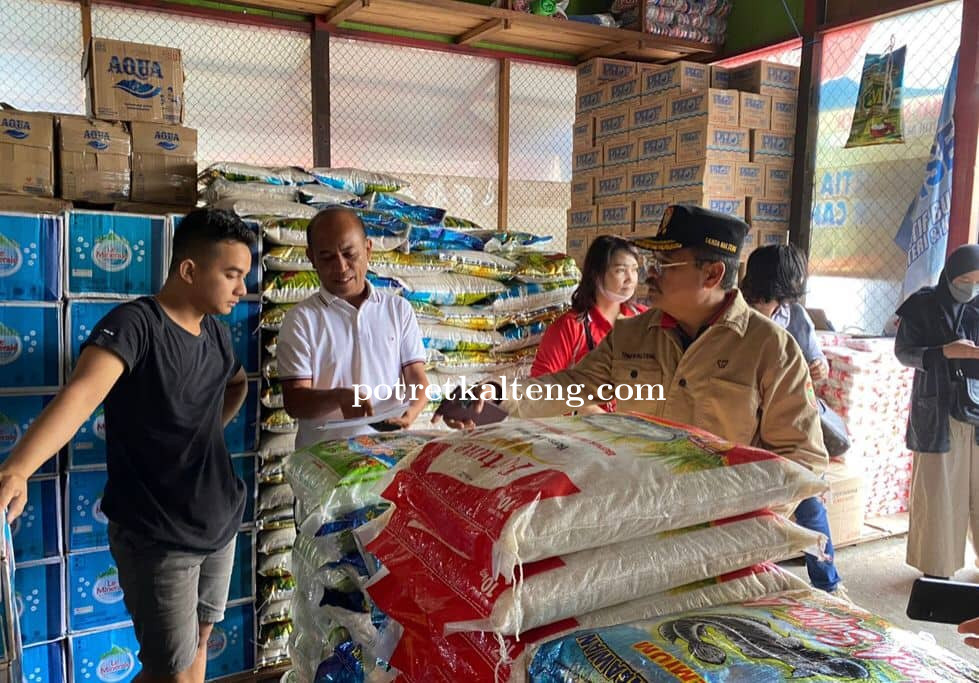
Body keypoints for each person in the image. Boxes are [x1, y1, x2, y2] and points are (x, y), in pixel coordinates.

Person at [0, 208, 255, 683]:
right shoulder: (136, 326)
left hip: (219, 523)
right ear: (189, 270)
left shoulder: (217, 335)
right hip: (159, 535)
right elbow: (80, 395)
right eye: (232, 275)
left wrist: (206, 433)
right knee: (170, 671)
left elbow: (237, 385)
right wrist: (18, 469)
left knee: (200, 643)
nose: (242, 289)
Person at [438, 204, 828, 470]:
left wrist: (748, 525)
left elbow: (801, 456)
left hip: (721, 526)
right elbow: (571, 386)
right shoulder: (632, 335)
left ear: (711, 275)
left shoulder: (770, 349)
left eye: (664, 264)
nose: (649, 275)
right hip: (636, 508)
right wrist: (497, 393)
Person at [277, 206, 430, 449]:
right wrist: (338, 397)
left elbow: (416, 377)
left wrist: (411, 412)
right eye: (327, 258)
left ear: (368, 249)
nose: (340, 267)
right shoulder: (301, 320)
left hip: (386, 454)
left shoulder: (397, 310)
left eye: (349, 254)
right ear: (311, 258)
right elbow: (294, 401)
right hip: (325, 462)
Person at [741, 244, 841, 594]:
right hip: (744, 432)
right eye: (797, 273)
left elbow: (819, 367)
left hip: (789, 429)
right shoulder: (731, 312)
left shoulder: (795, 316)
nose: (801, 281)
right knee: (747, 517)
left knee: (810, 507)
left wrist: (818, 368)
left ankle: (828, 586)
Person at [894, 244, 979, 581]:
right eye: (964, 279)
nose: (970, 287)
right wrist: (945, 351)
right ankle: (937, 567)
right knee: (939, 489)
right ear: (949, 275)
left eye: (977, 281)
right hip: (939, 411)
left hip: (976, 408)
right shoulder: (923, 305)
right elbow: (904, 352)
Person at [531, 235, 646, 412]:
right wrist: (590, 411)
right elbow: (541, 385)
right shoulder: (571, 326)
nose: (630, 279)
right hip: (587, 429)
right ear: (596, 274)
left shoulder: (644, 318)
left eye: (635, 269)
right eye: (621, 270)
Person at [740, 244, 828, 381]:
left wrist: (820, 366)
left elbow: (815, 356)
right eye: (796, 278)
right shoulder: (737, 312)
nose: (799, 282)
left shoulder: (796, 315)